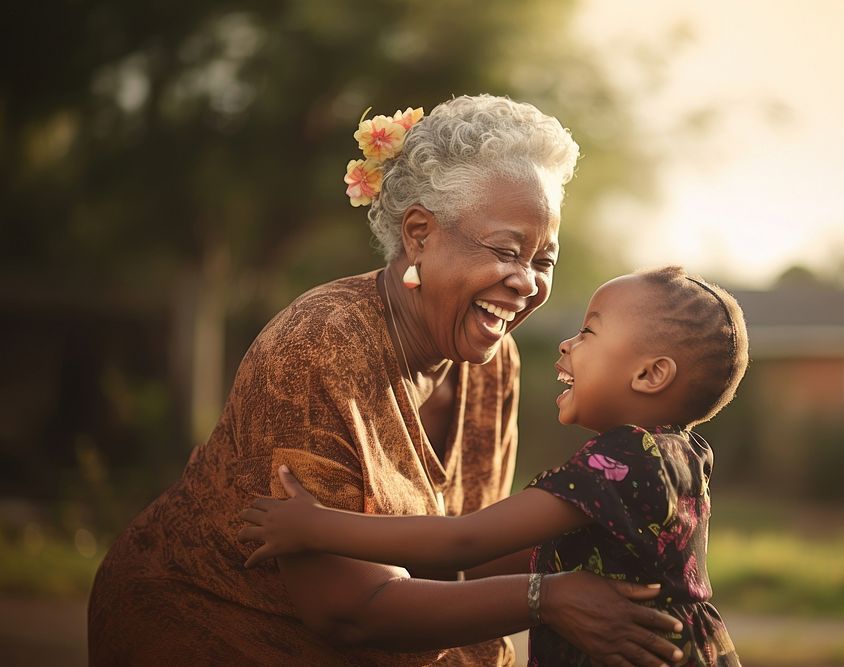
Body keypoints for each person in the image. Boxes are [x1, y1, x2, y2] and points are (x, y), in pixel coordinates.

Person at [88, 94, 686, 666]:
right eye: (507, 250)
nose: (527, 282)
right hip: (217, 634)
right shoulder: (316, 349)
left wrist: (611, 561)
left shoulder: (490, 357)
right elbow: (349, 612)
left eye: (543, 261)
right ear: (419, 234)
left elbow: (469, 555)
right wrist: (549, 597)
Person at [239, 266, 748, 666]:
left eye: (589, 332)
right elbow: (498, 558)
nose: (566, 344)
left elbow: (466, 540)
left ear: (650, 374)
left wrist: (315, 527)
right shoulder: (680, 455)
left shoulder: (622, 461)